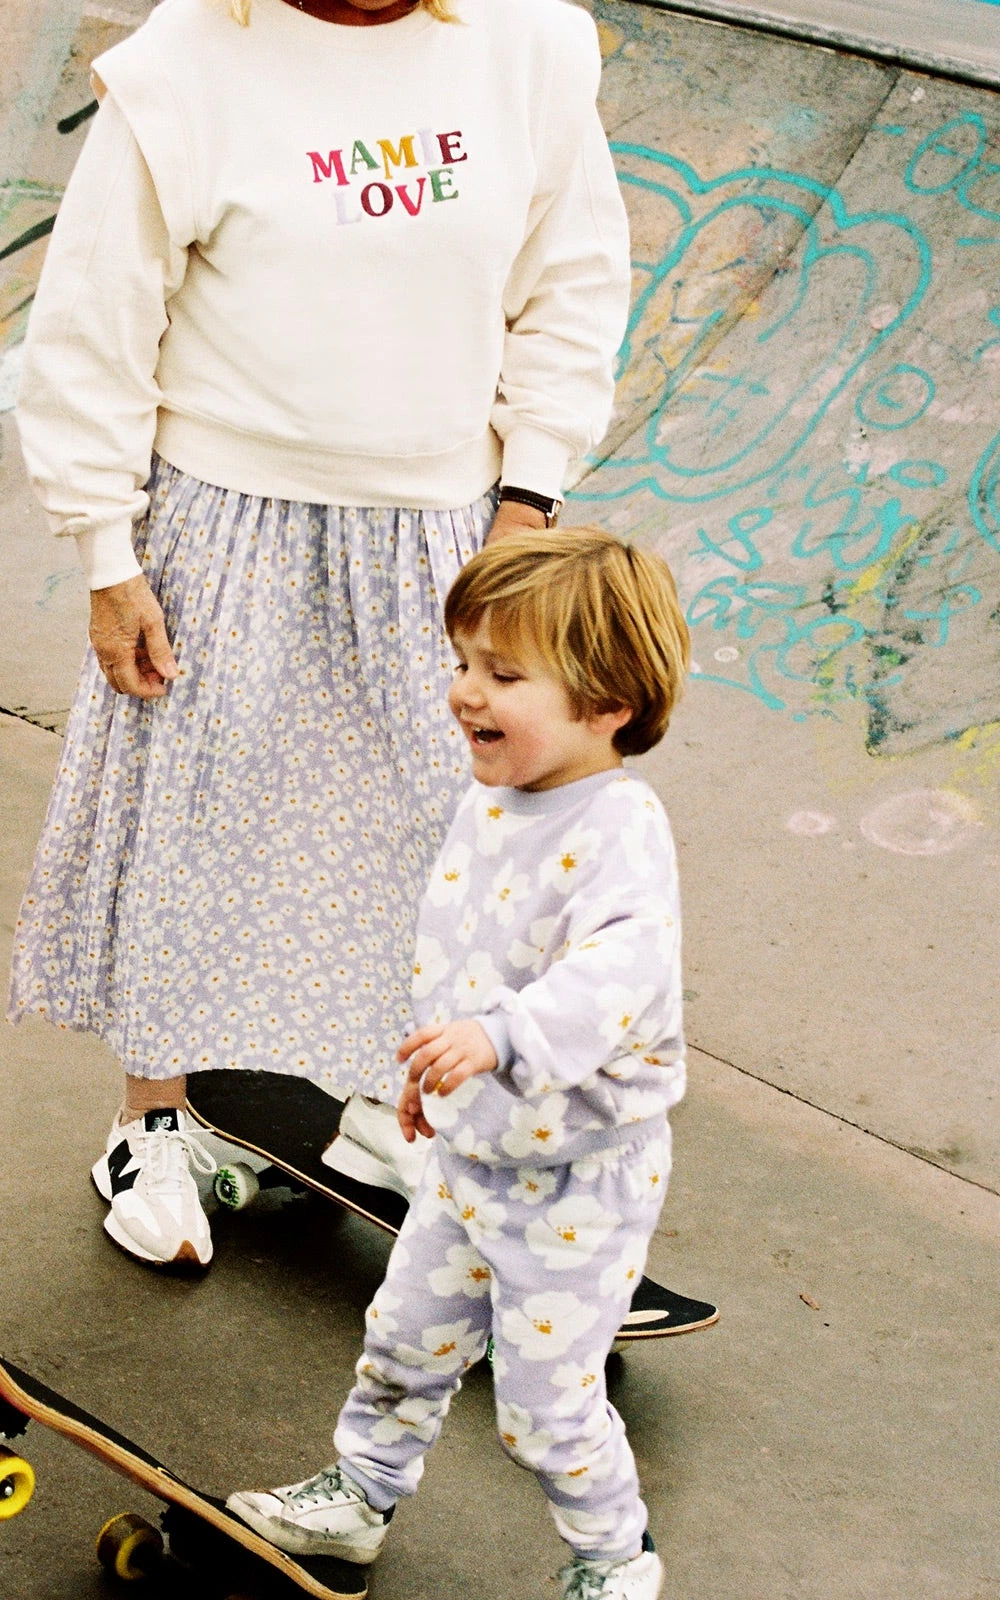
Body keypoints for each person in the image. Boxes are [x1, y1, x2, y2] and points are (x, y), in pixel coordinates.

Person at [8, 0, 631, 1268]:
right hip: (220, 520)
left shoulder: (527, 47)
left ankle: (374, 1102)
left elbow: (570, 280)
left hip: (438, 526)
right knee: (189, 816)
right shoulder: (185, 64)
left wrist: (528, 494)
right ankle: (153, 1119)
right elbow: (94, 319)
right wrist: (103, 552)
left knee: (427, 828)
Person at [227, 528, 689, 1600]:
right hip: (474, 1151)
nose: (465, 693)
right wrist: (439, 1068)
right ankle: (358, 1495)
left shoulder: (618, 823)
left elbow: (620, 972)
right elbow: (469, 950)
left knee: (543, 1407)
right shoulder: (494, 798)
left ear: (607, 699)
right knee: (400, 1339)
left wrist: (503, 1040)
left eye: (503, 674)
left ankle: (613, 1558)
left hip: (576, 1182)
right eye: (462, 663)